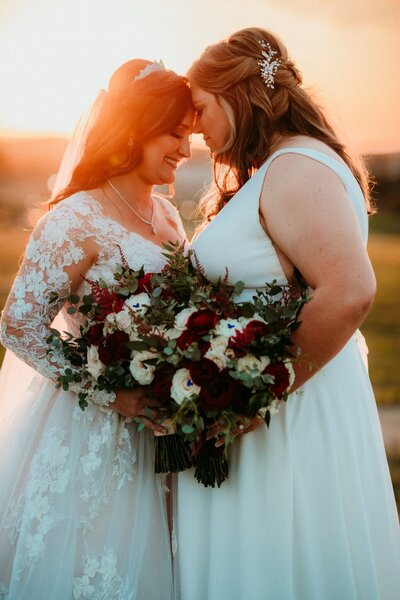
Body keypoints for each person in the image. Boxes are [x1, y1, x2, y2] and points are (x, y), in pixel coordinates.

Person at [174, 27, 400, 600]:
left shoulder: (296, 167)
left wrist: (249, 401)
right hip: (271, 403)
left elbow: (349, 292)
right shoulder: (284, 165)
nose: (195, 126)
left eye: (200, 107)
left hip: (283, 414)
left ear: (236, 91)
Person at [0, 58, 194, 599]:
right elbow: (19, 325)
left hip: (164, 426)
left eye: (190, 136)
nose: (185, 149)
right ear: (135, 130)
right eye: (174, 135)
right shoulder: (74, 219)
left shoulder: (169, 217)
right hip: (95, 429)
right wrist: (115, 395)